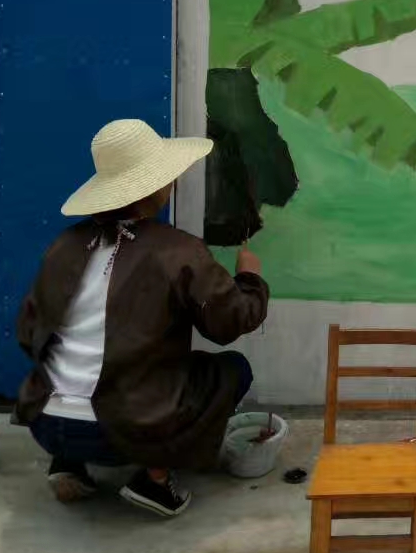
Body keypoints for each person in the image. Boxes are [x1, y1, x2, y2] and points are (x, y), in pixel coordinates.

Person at [14, 119, 269, 517]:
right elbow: (229, 323)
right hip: (121, 433)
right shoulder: (177, 252)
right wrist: (249, 279)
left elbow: (28, 333)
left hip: (44, 420)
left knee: (110, 374)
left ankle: (68, 462)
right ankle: (155, 480)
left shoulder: (64, 245)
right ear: (155, 188)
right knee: (233, 370)